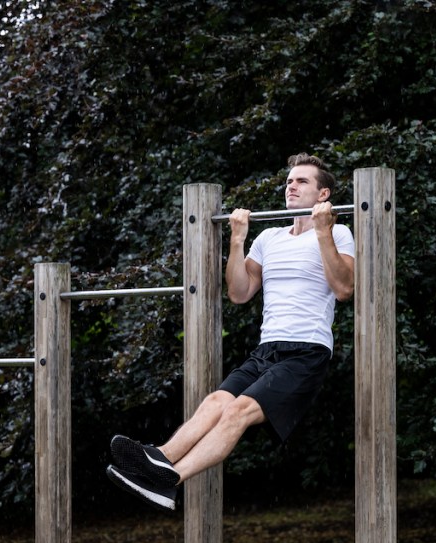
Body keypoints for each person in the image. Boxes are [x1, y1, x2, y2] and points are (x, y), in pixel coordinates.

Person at [106, 153, 356, 510]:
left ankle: (170, 481)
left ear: (323, 195)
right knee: (216, 402)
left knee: (237, 411)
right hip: (266, 350)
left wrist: (322, 232)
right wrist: (237, 239)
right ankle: (157, 459)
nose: (291, 186)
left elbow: (344, 288)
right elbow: (239, 293)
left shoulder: (338, 233)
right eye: (288, 181)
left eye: (301, 181)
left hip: (306, 352)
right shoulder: (268, 238)